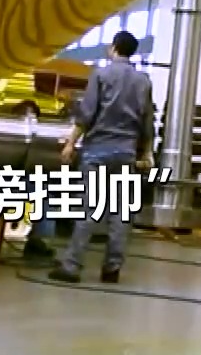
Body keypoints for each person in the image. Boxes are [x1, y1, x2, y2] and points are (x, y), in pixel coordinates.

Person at [48, 31, 156, 285]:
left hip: (98, 151)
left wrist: (71, 143)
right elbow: (147, 121)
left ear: (113, 48)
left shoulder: (101, 74)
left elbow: (87, 113)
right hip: (126, 153)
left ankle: (72, 267)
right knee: (120, 213)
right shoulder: (143, 81)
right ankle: (112, 269)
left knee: (88, 209)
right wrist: (147, 152)